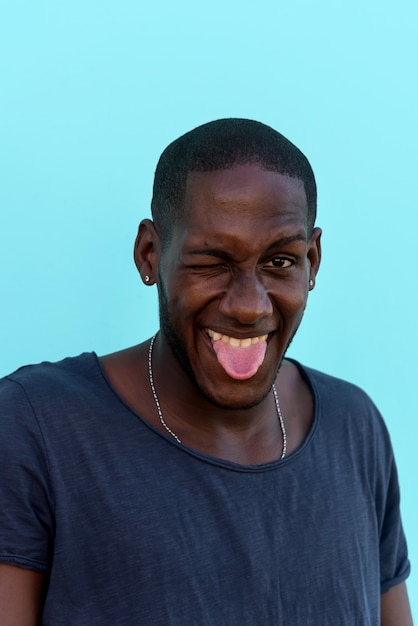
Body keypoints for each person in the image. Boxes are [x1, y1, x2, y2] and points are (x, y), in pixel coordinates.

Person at [0, 118, 413, 625]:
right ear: (150, 254)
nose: (248, 306)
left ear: (313, 261)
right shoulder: (37, 426)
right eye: (211, 262)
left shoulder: (355, 427)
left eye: (281, 261)